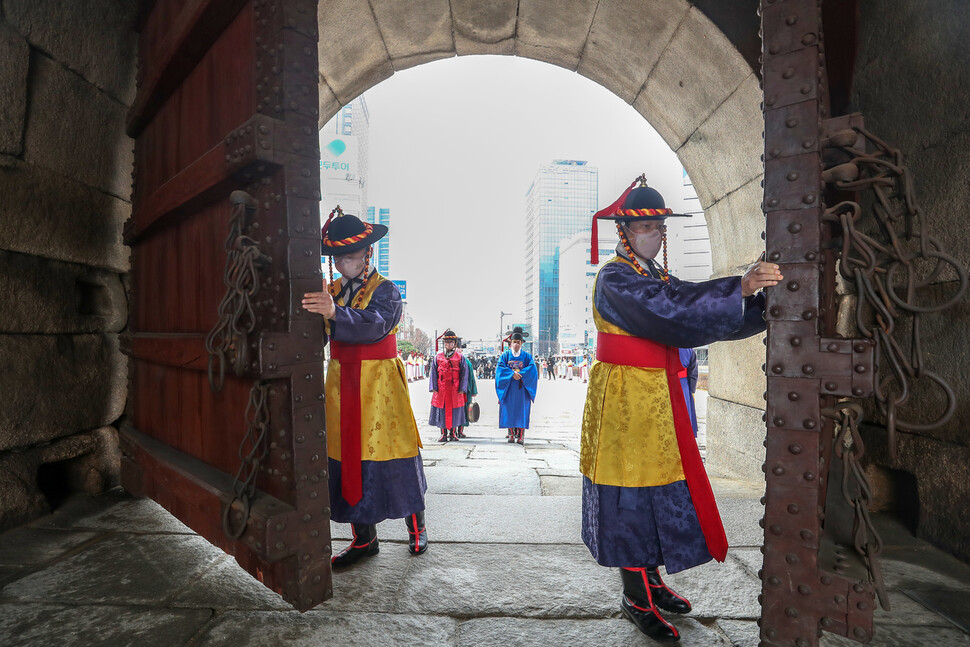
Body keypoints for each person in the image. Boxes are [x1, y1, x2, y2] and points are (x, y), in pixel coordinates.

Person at [580, 177, 782, 641]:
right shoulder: (615, 276)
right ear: (624, 231)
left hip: (654, 399)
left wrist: (759, 305)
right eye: (646, 227)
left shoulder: (651, 274)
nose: (655, 234)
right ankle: (635, 595)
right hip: (626, 404)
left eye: (659, 226)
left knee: (655, 491)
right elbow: (672, 310)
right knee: (630, 493)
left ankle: (651, 579)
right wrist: (739, 286)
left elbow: (689, 308)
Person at [301, 209, 428, 568]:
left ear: (368, 254)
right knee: (347, 456)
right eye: (338, 258)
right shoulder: (332, 291)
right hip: (342, 382)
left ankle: (417, 528)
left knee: (396, 452)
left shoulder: (387, 290)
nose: (343, 264)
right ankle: (363, 540)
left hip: (380, 386)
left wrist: (335, 314)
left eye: (350, 257)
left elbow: (375, 324)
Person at [495, 327, 538, 444]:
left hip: (522, 390)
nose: (516, 345)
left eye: (518, 343)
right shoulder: (504, 356)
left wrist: (520, 374)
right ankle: (510, 433)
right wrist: (511, 374)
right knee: (509, 410)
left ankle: (521, 435)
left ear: (522, 343)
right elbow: (500, 369)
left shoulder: (527, 357)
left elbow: (533, 370)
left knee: (521, 411)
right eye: (514, 342)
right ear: (510, 343)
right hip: (508, 389)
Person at [429, 330, 469, 442]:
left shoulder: (460, 357)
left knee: (455, 411)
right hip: (441, 389)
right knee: (441, 411)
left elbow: (464, 374)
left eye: (451, 342)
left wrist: (462, 388)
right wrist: (434, 387)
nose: (448, 344)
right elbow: (433, 373)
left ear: (455, 344)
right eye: (446, 342)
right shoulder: (438, 357)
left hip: (455, 389)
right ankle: (443, 434)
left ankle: (453, 433)